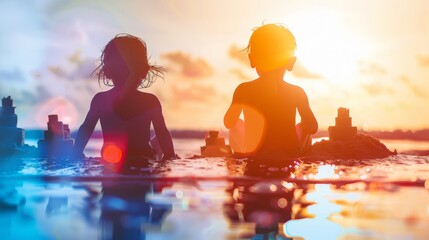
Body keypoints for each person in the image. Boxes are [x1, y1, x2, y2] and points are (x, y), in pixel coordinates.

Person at [73, 34, 176, 163]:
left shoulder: (100, 99)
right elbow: (162, 132)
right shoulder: (150, 101)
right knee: (158, 139)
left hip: (111, 159)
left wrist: (76, 153)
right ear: (144, 71)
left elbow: (86, 128)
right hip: (143, 158)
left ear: (107, 71)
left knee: (158, 138)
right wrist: (170, 156)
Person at [224, 24, 318, 159]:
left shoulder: (243, 90)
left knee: (236, 123)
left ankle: (240, 153)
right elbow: (313, 127)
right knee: (303, 127)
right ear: (291, 62)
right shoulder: (296, 92)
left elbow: (228, 122)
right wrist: (304, 125)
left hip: (255, 153)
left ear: (252, 60)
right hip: (289, 153)